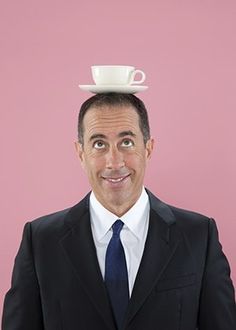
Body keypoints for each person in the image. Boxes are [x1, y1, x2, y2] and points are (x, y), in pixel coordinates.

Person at [2, 93, 236, 330]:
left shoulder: (198, 236)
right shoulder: (40, 241)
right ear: (81, 153)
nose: (114, 163)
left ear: (148, 148)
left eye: (126, 142)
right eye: (99, 144)